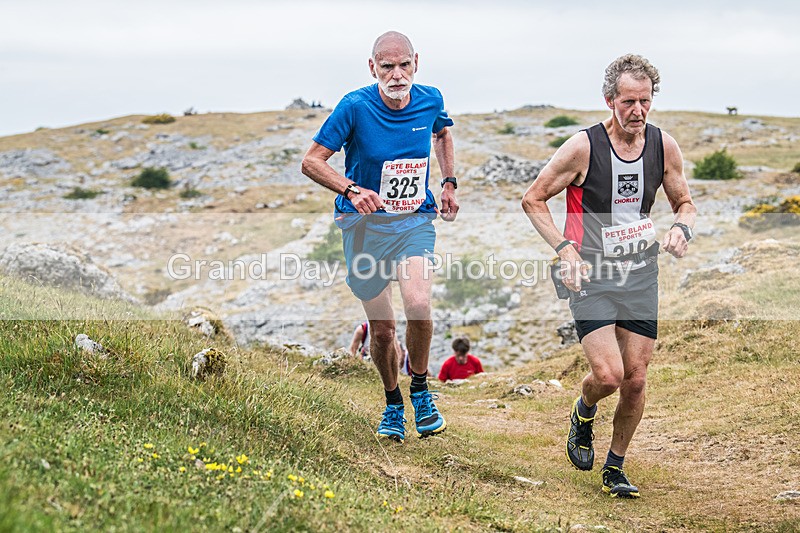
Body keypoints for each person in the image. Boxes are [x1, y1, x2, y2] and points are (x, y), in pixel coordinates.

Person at [521, 54, 696, 498]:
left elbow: (684, 202)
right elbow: (533, 199)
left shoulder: (663, 146)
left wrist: (681, 227)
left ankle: (615, 467)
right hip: (590, 274)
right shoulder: (583, 147)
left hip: (640, 273)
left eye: (645, 100)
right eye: (628, 102)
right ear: (609, 100)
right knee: (609, 375)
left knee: (636, 378)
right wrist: (564, 250)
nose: (637, 111)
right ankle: (583, 412)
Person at [302, 31, 459, 442]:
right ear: (372, 68)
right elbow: (311, 161)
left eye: (403, 65)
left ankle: (421, 392)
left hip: (413, 222)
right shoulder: (354, 107)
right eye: (387, 66)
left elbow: (442, 133)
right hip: (364, 228)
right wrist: (351, 189)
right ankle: (393, 403)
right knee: (384, 330)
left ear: (416, 63)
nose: (397, 74)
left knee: (420, 302)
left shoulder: (431, 99)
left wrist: (449, 183)